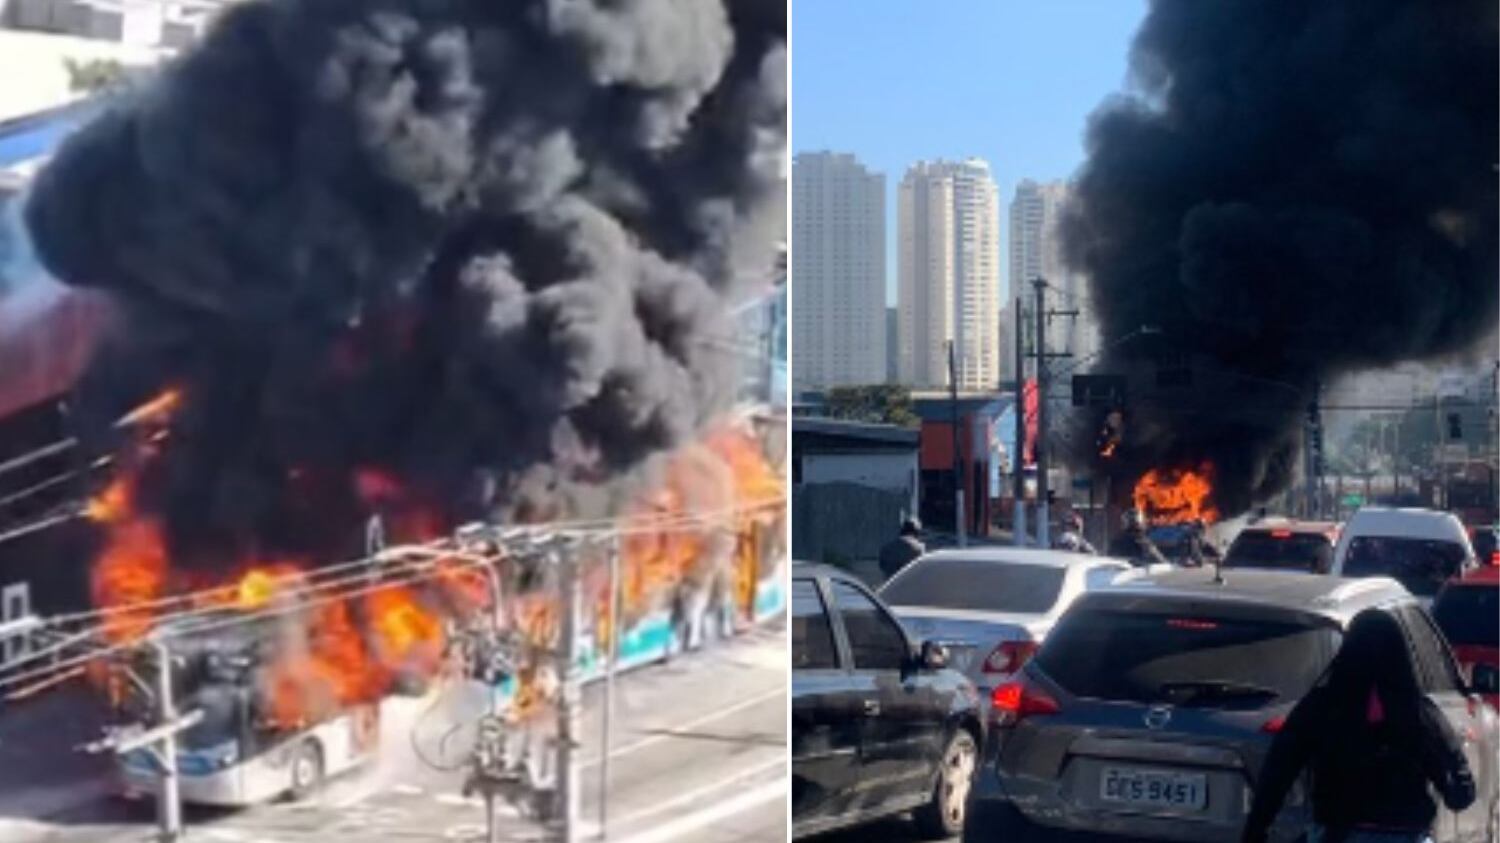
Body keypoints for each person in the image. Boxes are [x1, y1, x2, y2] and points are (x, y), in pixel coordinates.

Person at [1241, 608, 1475, 843]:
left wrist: (1256, 830)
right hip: (1406, 833)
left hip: (1336, 833)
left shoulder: (1322, 707)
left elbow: (1277, 774)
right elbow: (1460, 794)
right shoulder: (1419, 713)